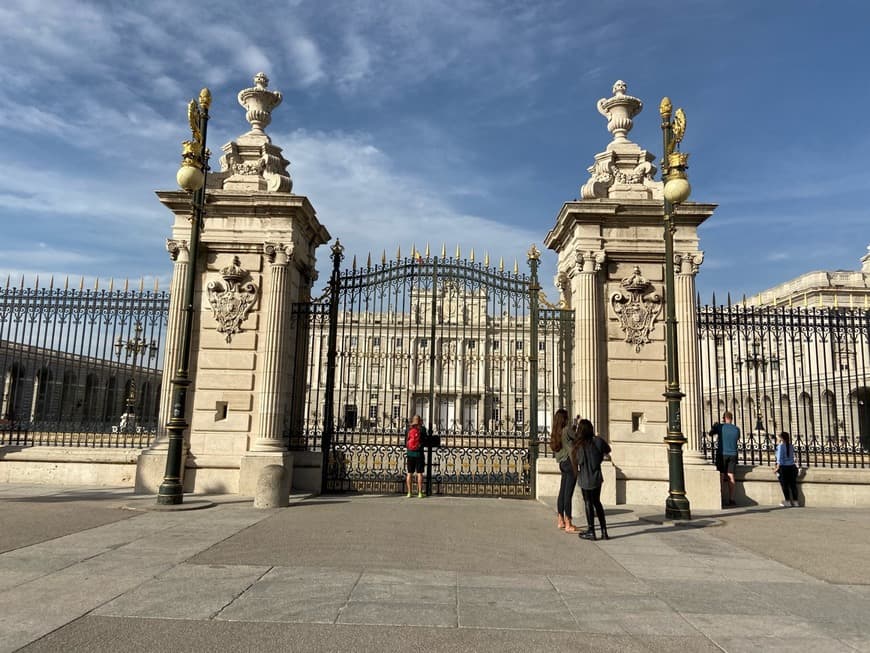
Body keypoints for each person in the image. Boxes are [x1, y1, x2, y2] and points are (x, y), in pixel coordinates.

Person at [574, 418, 611, 541]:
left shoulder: (581, 444)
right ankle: (604, 531)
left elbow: (579, 461)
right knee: (597, 503)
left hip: (586, 477)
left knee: (588, 503)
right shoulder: (598, 441)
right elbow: (608, 450)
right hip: (597, 477)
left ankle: (591, 530)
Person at [550, 409, 579, 533]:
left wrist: (574, 425)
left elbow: (567, 439)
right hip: (570, 463)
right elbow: (577, 437)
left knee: (562, 492)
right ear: (564, 419)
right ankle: (569, 523)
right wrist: (577, 426)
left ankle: (560, 520)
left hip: (561, 463)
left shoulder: (556, 432)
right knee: (568, 494)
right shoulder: (567, 430)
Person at [711, 411, 740, 507]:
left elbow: (711, 433)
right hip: (733, 454)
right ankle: (732, 499)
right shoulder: (736, 429)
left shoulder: (720, 427)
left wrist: (714, 426)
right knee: (731, 476)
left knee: (721, 475)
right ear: (731, 418)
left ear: (724, 418)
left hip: (722, 453)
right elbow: (737, 439)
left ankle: (721, 497)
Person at [775, 431, 799, 507]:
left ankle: (787, 501)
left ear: (781, 438)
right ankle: (796, 501)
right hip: (792, 467)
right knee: (793, 485)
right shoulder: (791, 446)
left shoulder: (780, 446)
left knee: (784, 485)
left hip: (783, 468)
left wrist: (776, 469)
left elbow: (779, 459)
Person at [405, 415, 425, 498]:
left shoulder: (408, 429)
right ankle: (420, 493)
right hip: (419, 453)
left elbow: (406, 441)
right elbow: (424, 440)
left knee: (409, 473)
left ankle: (409, 493)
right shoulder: (422, 429)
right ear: (420, 421)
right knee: (419, 473)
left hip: (410, 453)